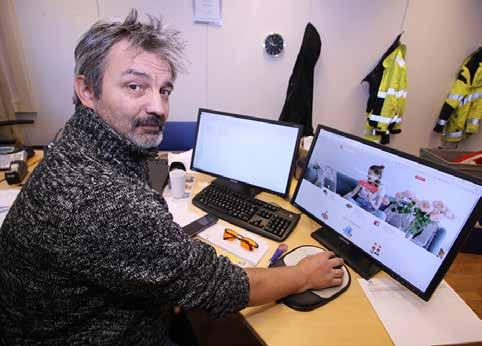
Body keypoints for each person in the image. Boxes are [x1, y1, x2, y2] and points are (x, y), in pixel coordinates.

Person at [0, 9, 344, 345]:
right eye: (135, 86)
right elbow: (222, 286)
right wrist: (302, 275)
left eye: (164, 90)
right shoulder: (106, 199)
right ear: (87, 91)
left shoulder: (76, 142)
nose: (159, 107)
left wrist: (164, 270)